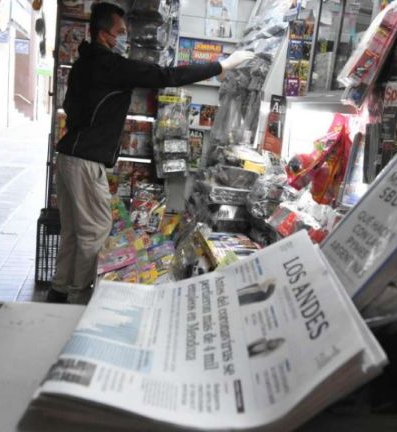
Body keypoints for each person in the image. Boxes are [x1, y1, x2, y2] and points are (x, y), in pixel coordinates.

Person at [48, 3, 254, 303]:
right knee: (95, 232)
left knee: (72, 231)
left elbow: (70, 106)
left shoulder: (84, 63)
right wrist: (220, 66)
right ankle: (78, 298)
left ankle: (58, 290)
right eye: (120, 32)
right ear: (104, 34)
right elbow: (166, 75)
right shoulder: (111, 66)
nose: (124, 37)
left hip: (68, 156)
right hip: (86, 161)